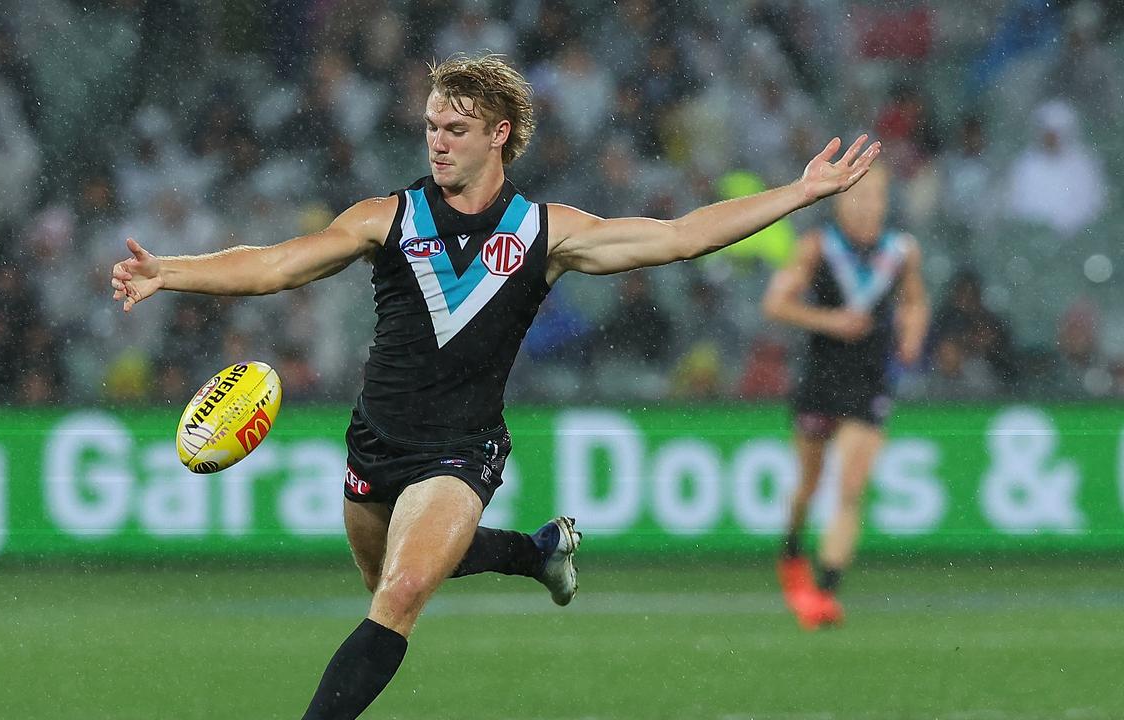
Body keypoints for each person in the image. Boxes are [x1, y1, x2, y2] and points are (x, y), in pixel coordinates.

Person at [110, 54, 879, 718]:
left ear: (499, 134)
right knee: (391, 577)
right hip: (376, 442)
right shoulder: (389, 217)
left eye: (456, 130)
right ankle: (534, 553)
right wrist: (168, 272)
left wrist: (799, 193)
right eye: (431, 128)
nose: (437, 143)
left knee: (403, 592)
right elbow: (278, 264)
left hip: (461, 448)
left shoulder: (547, 232)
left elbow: (678, 238)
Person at [761, 163, 927, 631]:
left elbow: (914, 299)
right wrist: (830, 321)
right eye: (858, 196)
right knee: (810, 485)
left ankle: (824, 592)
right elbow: (775, 304)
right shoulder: (817, 247)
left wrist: (912, 334)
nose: (866, 205)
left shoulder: (901, 250)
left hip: (871, 379)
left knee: (851, 487)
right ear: (840, 201)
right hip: (822, 377)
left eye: (875, 197)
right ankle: (792, 546)